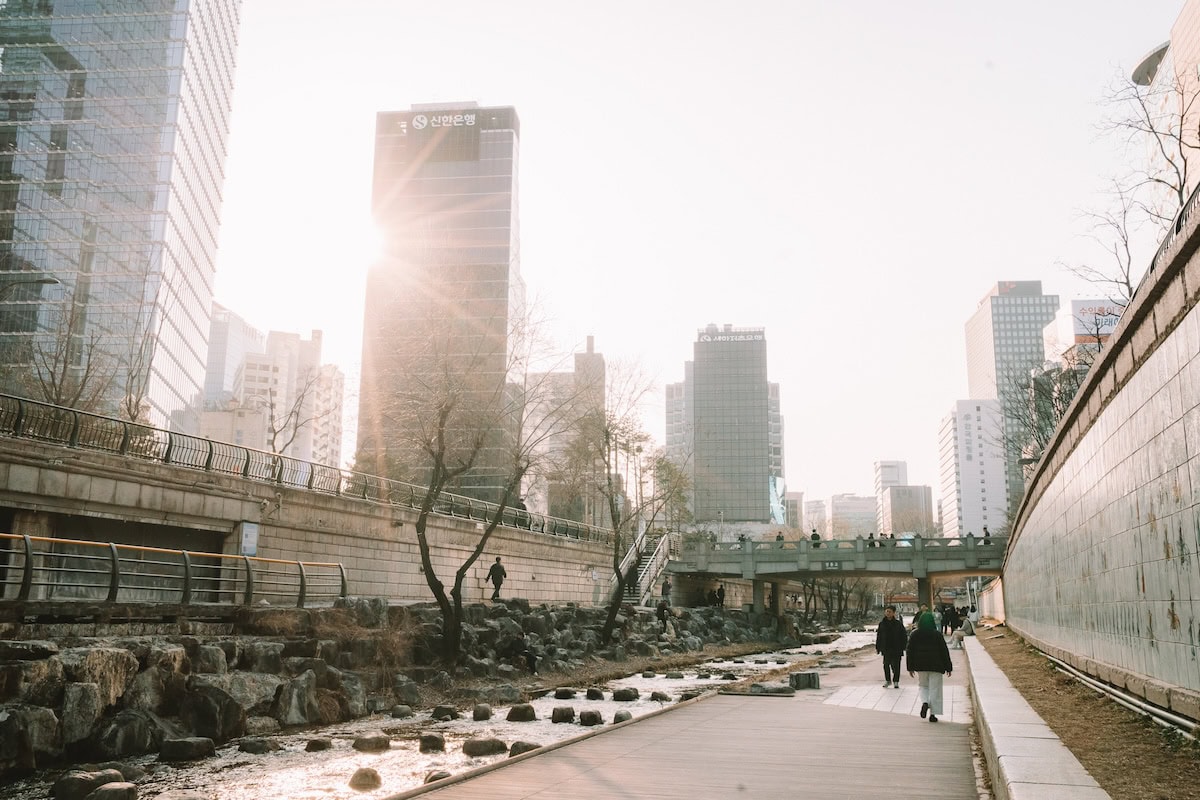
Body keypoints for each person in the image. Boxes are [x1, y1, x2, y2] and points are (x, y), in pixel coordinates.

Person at [906, 611, 953, 722]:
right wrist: (948, 667)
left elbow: (909, 651)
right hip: (936, 665)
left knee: (923, 686)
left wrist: (910, 667)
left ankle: (925, 702)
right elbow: (944, 651)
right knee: (935, 690)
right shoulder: (937, 634)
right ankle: (933, 714)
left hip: (920, 665)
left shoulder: (914, 634)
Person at [875, 604, 908, 688]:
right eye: (886, 611)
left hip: (896, 647)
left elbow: (904, 636)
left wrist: (904, 646)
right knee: (886, 665)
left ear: (893, 613)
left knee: (896, 665)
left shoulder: (898, 624)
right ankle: (888, 680)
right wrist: (878, 647)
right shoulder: (882, 624)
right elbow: (879, 636)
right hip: (886, 648)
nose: (887, 613)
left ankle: (896, 681)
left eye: (889, 612)